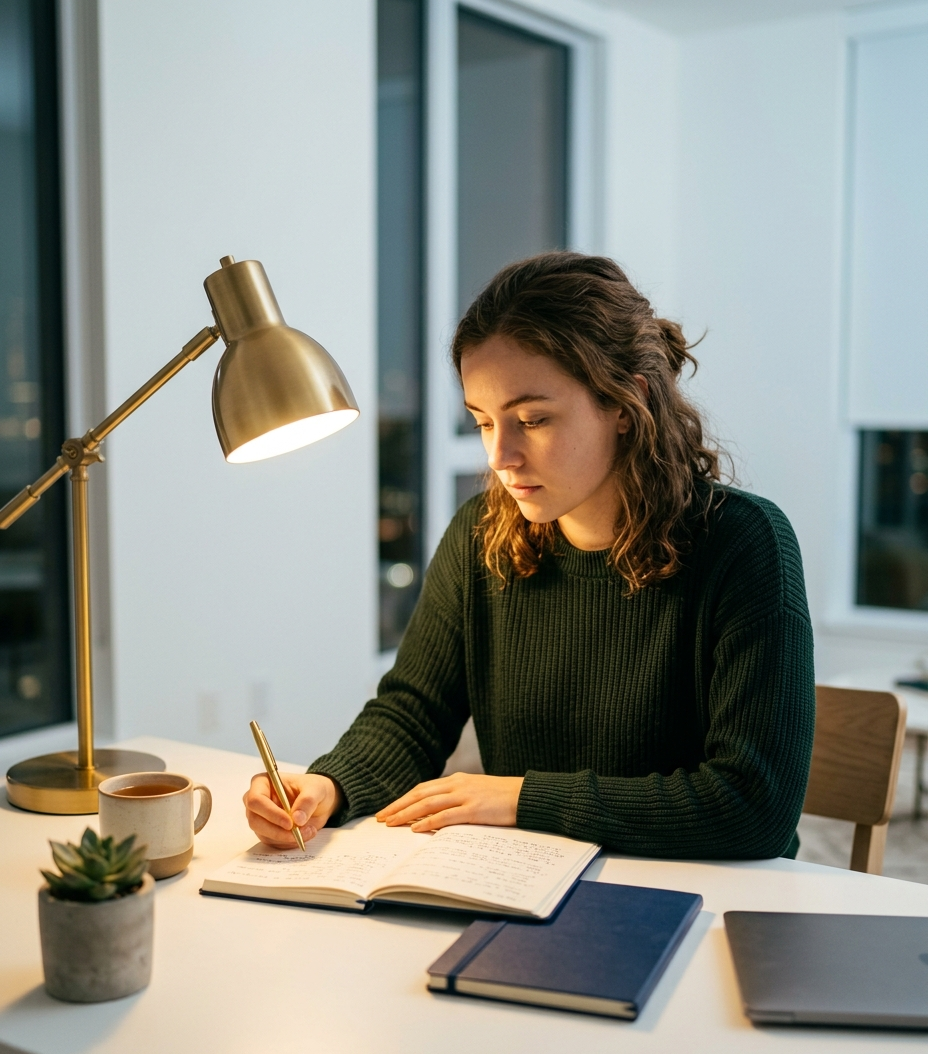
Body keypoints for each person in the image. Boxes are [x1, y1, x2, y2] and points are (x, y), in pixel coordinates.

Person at [244, 252, 815, 858]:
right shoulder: (481, 535)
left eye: (532, 419)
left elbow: (754, 807)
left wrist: (519, 799)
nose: (500, 456)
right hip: (530, 887)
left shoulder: (745, 545)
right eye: (483, 422)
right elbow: (413, 712)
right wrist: (328, 785)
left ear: (625, 404)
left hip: (702, 900)